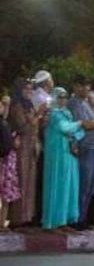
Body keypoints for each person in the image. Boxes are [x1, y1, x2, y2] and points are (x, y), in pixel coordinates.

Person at [67, 78, 94, 229]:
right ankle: (77, 219)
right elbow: (84, 124)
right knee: (84, 184)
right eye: (82, 85)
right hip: (86, 146)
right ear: (75, 86)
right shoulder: (75, 103)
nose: (86, 88)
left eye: (87, 85)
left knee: (91, 186)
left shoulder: (86, 102)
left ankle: (84, 217)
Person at [42, 88, 85, 231]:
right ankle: (53, 221)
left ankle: (64, 220)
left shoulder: (67, 113)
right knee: (57, 185)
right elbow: (65, 128)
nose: (63, 100)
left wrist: (77, 129)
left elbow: (80, 133)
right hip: (57, 155)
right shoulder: (53, 114)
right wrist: (79, 124)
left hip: (69, 153)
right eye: (59, 97)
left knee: (69, 186)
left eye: (65, 97)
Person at [7, 79, 42, 228]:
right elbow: (22, 127)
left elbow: (35, 127)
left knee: (30, 181)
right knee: (21, 181)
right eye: (26, 89)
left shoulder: (30, 106)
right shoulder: (17, 106)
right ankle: (16, 218)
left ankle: (26, 217)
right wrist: (37, 116)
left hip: (31, 147)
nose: (29, 92)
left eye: (31, 89)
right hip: (21, 148)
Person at [0, 94, 18, 229]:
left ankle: (2, 223)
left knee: (6, 194)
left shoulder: (5, 122)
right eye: (3, 104)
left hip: (8, 160)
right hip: (3, 160)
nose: (5, 108)